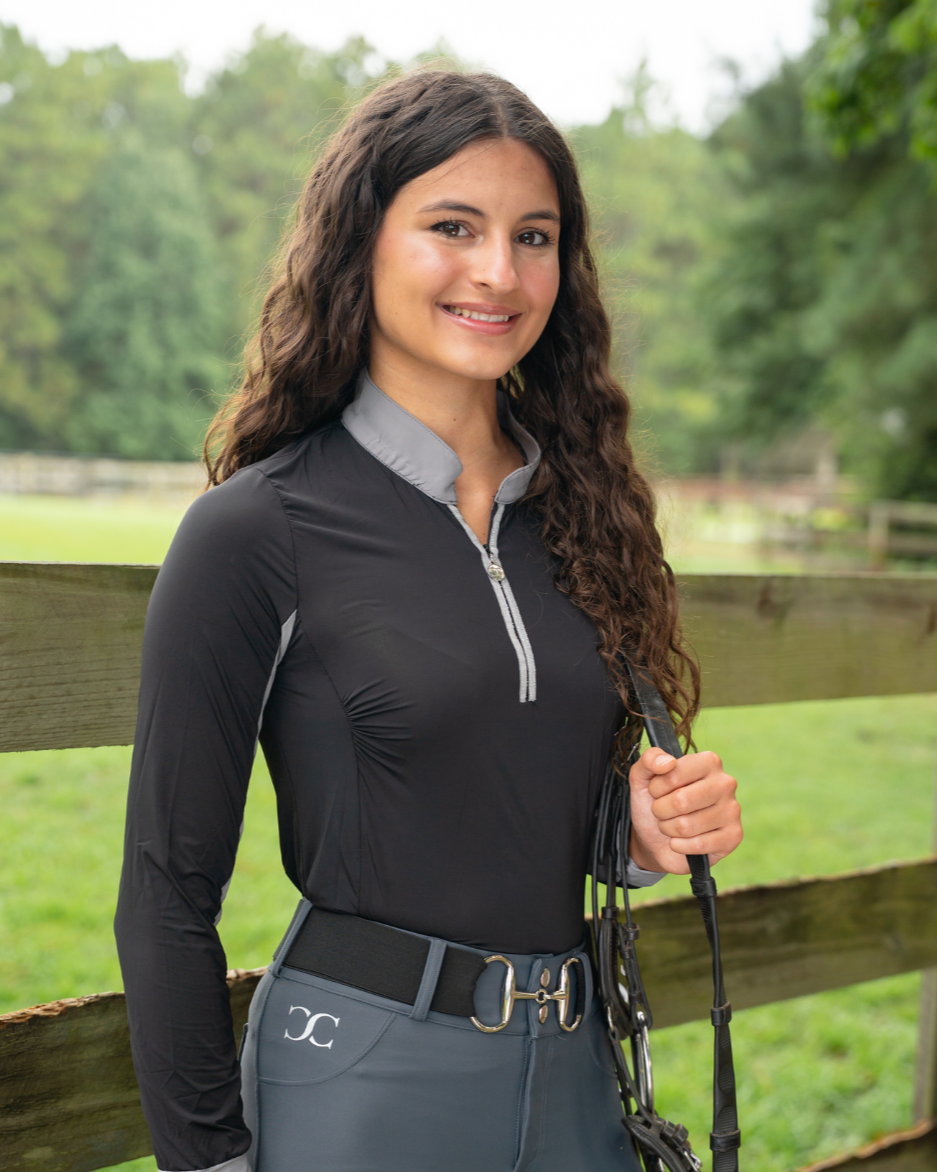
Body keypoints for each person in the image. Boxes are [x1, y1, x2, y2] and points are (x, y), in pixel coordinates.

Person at [115, 69, 743, 1172]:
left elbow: (494, 791)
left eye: (533, 236)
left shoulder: (585, 517)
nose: (498, 270)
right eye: (453, 227)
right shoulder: (259, 527)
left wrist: (635, 837)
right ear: (360, 242)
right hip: (363, 1078)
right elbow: (165, 890)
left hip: (577, 1075)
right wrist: (208, 1161)